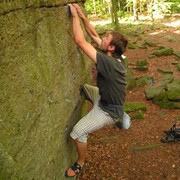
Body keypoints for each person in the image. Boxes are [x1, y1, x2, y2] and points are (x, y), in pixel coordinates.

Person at [65, 3, 129, 177]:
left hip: (108, 111)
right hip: (103, 98)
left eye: (106, 38)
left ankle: (80, 162)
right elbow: (92, 34)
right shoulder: (116, 56)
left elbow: (80, 41)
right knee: (84, 88)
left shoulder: (109, 63)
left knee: (78, 131)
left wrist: (75, 16)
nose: (102, 38)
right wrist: (82, 15)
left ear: (110, 48)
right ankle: (98, 113)